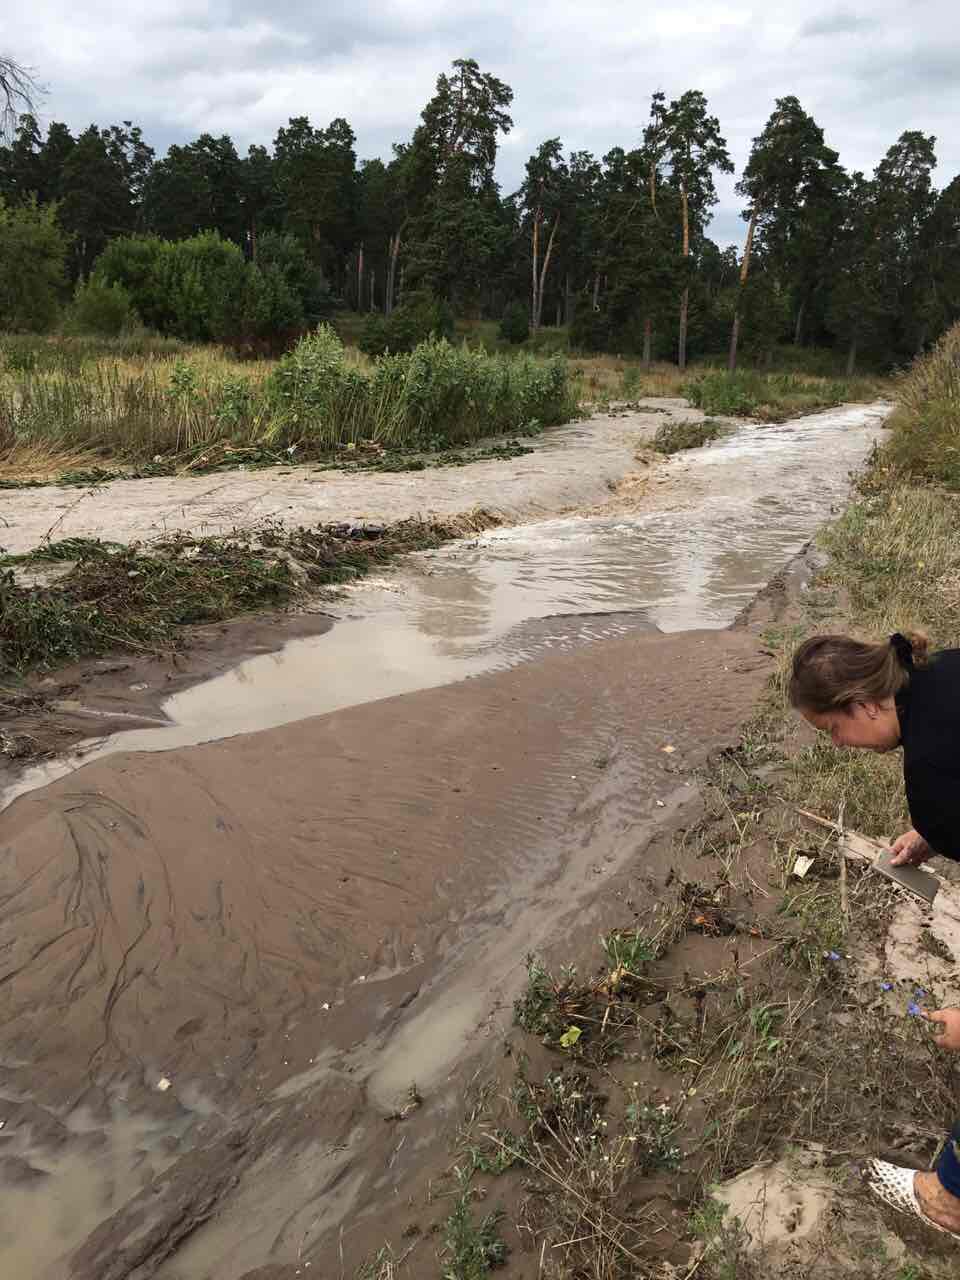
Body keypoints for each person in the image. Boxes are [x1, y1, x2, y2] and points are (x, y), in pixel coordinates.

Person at [789, 631, 960, 1239]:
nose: (836, 746)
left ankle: (947, 1201)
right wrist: (933, 833)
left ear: (862, 704)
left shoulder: (932, 769)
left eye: (829, 730)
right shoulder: (940, 671)